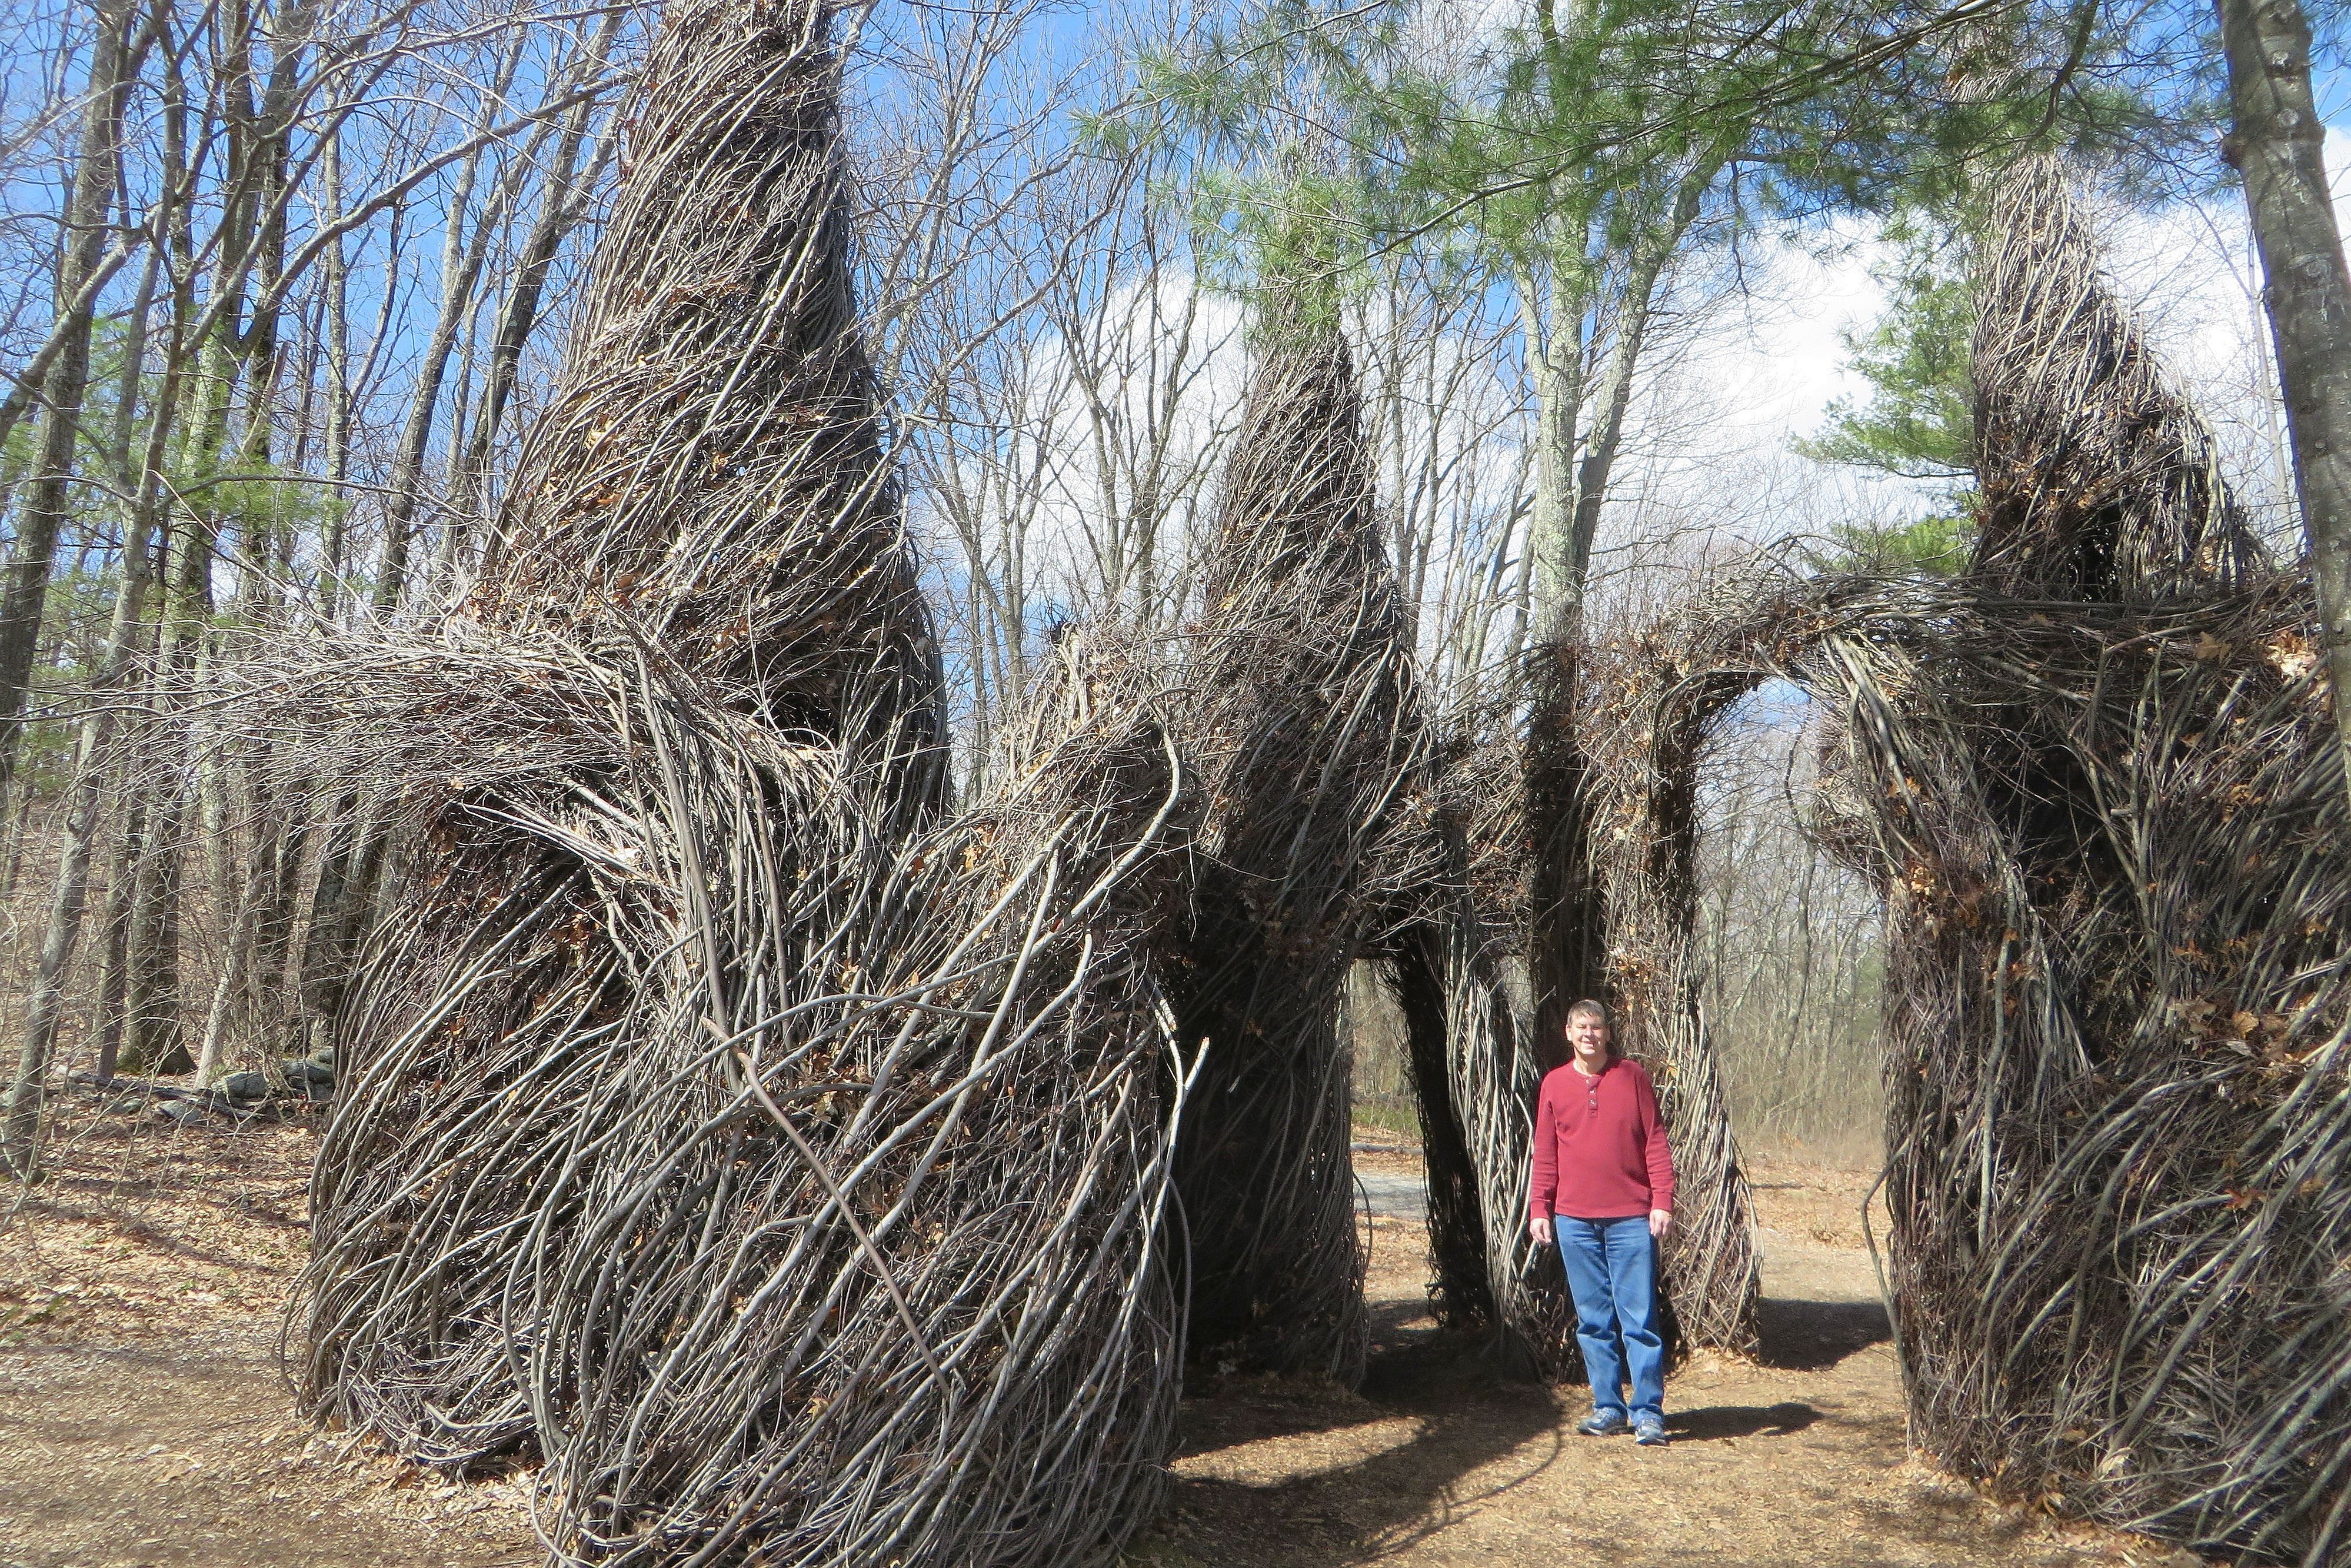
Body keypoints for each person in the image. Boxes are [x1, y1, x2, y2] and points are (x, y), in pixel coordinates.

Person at [1528, 998, 1676, 1446]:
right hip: (1574, 1220)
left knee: (1639, 1320)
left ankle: (1648, 1412)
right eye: (1581, 1027)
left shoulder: (1632, 1077)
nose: (1589, 1034)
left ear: (1608, 1033)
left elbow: (1655, 1140)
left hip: (1631, 1218)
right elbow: (1546, 1152)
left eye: (1596, 1026)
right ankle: (1608, 1407)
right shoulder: (1554, 1084)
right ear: (1569, 1033)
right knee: (1594, 1321)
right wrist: (1540, 1208)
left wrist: (1662, 1200)